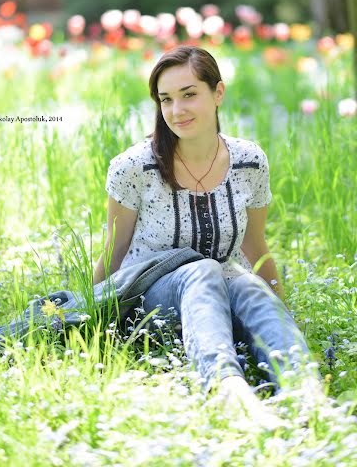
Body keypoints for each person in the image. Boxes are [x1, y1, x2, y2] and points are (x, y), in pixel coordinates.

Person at [93, 45, 324, 430]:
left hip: (219, 292)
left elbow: (255, 245)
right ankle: (227, 391)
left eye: (189, 95)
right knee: (201, 270)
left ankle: (306, 390)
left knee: (246, 282)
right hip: (150, 299)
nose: (176, 110)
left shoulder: (249, 161)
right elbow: (113, 252)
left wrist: (279, 310)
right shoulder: (134, 167)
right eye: (166, 99)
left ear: (218, 93)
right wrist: (93, 319)